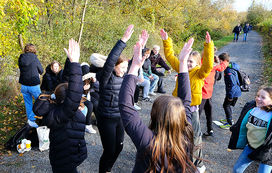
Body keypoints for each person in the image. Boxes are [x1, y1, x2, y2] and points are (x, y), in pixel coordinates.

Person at [119, 30, 196, 173]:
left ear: (155, 115)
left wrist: (135, 65)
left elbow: (125, 106)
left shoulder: (148, 141)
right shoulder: (186, 134)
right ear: (181, 117)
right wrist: (183, 63)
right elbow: (186, 101)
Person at [161, 29, 214, 172]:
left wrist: (208, 46)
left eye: (191, 62)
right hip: (176, 108)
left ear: (197, 63)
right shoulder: (181, 67)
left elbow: (209, 64)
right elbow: (170, 56)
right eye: (187, 61)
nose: (188, 64)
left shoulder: (199, 73)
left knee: (195, 136)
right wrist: (167, 41)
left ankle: (198, 164)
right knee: (171, 132)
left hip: (191, 110)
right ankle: (170, 156)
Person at [36, 39, 87, 173]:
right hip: (66, 161)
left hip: (61, 158)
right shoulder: (64, 113)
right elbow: (74, 91)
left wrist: (70, 61)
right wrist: (76, 63)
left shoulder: (56, 110)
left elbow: (66, 83)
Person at [96, 25, 133, 173]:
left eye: (126, 68)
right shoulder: (106, 77)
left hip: (119, 118)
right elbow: (110, 61)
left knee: (120, 147)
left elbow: (135, 68)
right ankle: (103, 170)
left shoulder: (124, 78)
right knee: (109, 150)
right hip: (106, 118)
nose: (124, 71)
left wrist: (140, 52)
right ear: (114, 67)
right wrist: (123, 41)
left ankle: (108, 168)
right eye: (122, 67)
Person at [228, 87, 272, 173]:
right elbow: (242, 122)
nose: (258, 99)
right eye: (258, 96)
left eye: (263, 97)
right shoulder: (252, 108)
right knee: (237, 170)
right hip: (251, 146)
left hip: (268, 151)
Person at [199, 51, 229, 136]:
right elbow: (222, 66)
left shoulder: (203, 64)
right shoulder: (213, 66)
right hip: (208, 93)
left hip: (202, 94)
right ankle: (210, 129)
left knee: (197, 114)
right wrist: (225, 61)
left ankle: (197, 132)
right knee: (208, 112)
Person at [18, 43, 44, 128]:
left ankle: (31, 120)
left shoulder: (21, 58)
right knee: (41, 101)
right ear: (33, 50)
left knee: (28, 103)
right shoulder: (34, 58)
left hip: (24, 86)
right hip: (34, 85)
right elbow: (41, 70)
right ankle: (41, 117)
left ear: (25, 49)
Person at [218, 53, 242, 129]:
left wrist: (230, 96)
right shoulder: (231, 65)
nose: (219, 63)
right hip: (236, 91)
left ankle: (229, 122)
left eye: (219, 61)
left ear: (223, 61)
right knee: (227, 105)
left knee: (226, 105)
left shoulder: (228, 71)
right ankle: (229, 118)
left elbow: (232, 84)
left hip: (233, 92)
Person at [81, 62, 97, 134]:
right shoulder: (77, 78)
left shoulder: (90, 78)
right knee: (90, 105)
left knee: (96, 103)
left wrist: (92, 83)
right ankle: (87, 124)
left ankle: (98, 121)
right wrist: (82, 88)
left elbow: (92, 89)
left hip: (86, 96)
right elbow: (73, 90)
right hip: (78, 96)